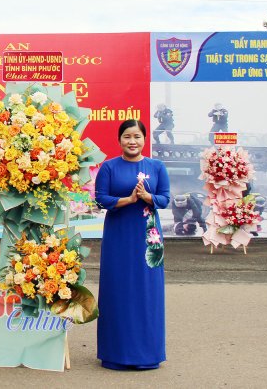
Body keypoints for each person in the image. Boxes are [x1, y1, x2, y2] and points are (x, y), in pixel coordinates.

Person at [94, 119, 169, 370]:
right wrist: (128, 199)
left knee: (147, 291)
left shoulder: (157, 166)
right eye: (127, 136)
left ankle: (148, 354)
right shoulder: (109, 167)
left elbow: (165, 198)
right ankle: (116, 353)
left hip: (148, 237)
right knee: (118, 289)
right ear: (119, 140)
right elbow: (101, 199)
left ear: (144, 139)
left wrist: (149, 197)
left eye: (137, 136)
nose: (132, 141)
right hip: (118, 235)